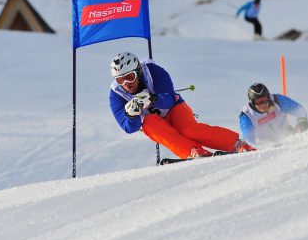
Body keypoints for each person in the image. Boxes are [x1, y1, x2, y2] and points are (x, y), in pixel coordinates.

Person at [109, 52, 256, 159]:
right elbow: (129, 128)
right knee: (148, 123)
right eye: (120, 80)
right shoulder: (116, 95)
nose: (126, 84)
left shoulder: (153, 72)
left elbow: (169, 99)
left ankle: (236, 143)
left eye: (130, 77)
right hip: (155, 122)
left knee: (188, 130)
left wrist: (153, 99)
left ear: (139, 72)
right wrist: (131, 116)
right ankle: (193, 151)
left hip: (174, 109)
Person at [238, 83, 308, 146]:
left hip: (287, 135)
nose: (263, 104)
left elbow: (298, 110)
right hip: (265, 145)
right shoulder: (247, 115)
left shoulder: (277, 100)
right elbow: (248, 138)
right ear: (252, 102)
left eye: (265, 100)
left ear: (268, 97)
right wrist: (251, 146)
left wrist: (302, 122)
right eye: (258, 102)